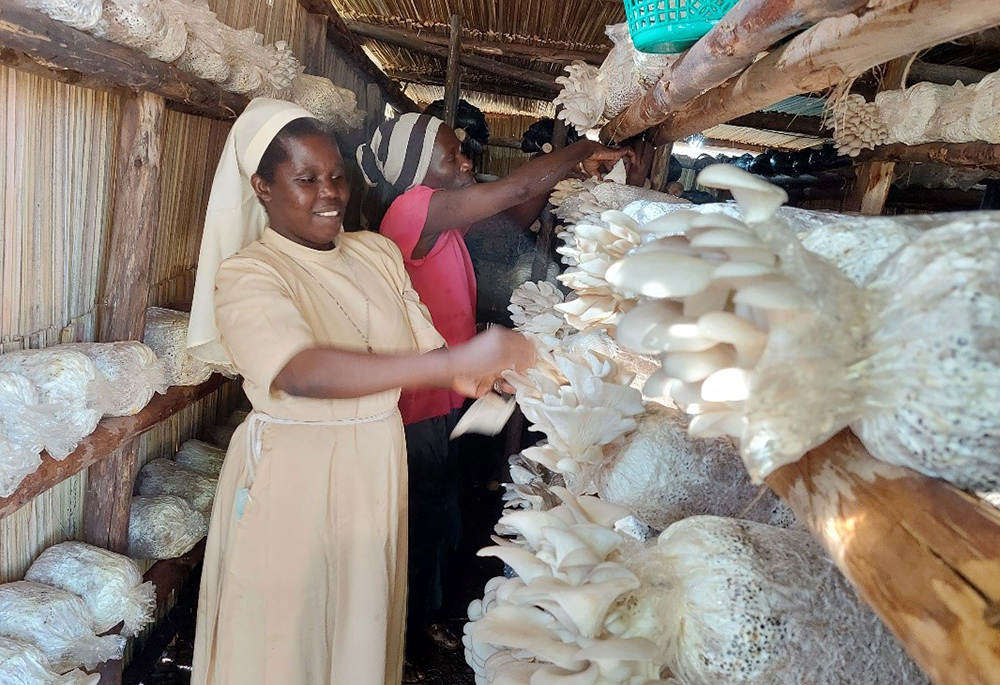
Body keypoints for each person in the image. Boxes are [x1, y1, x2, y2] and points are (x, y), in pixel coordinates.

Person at [184, 98, 535, 685]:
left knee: (359, 621)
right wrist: (455, 359)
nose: (330, 194)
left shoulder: (374, 252)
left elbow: (428, 354)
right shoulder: (250, 273)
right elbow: (300, 371)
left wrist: (478, 376)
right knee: (286, 633)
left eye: (337, 176)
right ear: (263, 187)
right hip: (296, 472)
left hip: (375, 460)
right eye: (306, 179)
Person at [355, 113, 632, 678]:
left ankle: (425, 615)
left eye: (462, 152)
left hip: (446, 394)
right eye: (449, 155)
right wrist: (585, 145)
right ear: (414, 171)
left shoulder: (443, 216)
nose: (465, 162)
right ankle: (395, 640)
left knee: (444, 513)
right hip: (415, 404)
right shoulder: (413, 210)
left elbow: (519, 210)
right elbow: (522, 186)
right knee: (419, 521)